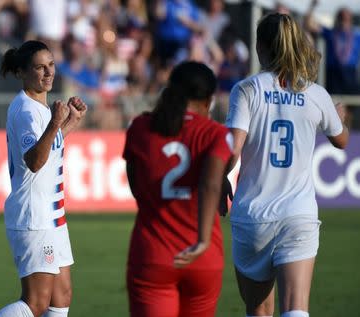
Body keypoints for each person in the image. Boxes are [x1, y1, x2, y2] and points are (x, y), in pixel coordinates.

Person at [225, 13, 349, 317]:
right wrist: (338, 118)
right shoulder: (316, 93)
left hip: (253, 216)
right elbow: (342, 141)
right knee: (296, 309)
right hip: (298, 215)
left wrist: (218, 183)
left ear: (262, 47)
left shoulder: (247, 89)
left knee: (259, 310)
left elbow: (232, 150)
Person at [123, 61, 233, 317]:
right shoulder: (215, 133)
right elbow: (210, 183)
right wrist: (203, 240)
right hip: (204, 257)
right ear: (208, 99)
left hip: (153, 253)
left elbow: (136, 185)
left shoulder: (140, 127)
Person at [0, 40, 87, 317]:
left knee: (61, 298)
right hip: (34, 215)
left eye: (51, 65)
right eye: (39, 68)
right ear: (23, 73)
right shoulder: (25, 109)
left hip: (52, 215)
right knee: (36, 303)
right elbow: (34, 161)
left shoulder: (40, 108)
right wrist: (56, 122)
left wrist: (70, 122)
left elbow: (48, 147)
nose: (48, 73)